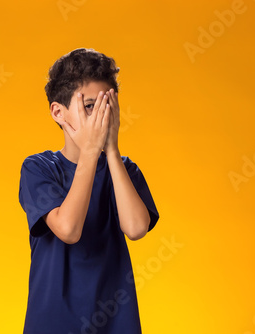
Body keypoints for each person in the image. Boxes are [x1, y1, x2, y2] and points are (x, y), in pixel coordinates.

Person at [18, 48, 159, 334]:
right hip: (53, 322)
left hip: (115, 322)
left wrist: (111, 151)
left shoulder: (124, 170)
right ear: (59, 112)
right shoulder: (39, 168)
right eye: (91, 106)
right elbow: (68, 229)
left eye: (109, 106)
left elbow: (136, 228)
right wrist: (91, 151)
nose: (102, 117)